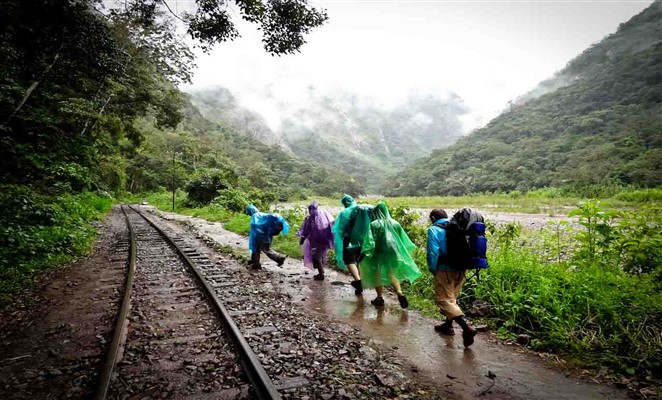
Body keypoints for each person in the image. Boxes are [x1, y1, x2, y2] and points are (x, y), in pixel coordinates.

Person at [426, 208, 478, 348]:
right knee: (452, 298)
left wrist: (433, 269)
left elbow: (433, 252)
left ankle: (466, 328)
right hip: (461, 268)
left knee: (444, 300)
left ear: (432, 218)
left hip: (444, 269)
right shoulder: (459, 227)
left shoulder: (434, 230)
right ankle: (448, 326)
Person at [361, 202, 421, 309]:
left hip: (378, 252)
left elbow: (370, 242)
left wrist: (364, 253)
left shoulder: (374, 224)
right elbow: (402, 240)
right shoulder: (395, 223)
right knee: (392, 274)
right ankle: (399, 293)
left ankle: (379, 297)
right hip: (393, 253)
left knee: (377, 274)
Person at [332, 194, 373, 295]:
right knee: (359, 260)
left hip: (350, 238)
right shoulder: (363, 209)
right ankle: (361, 280)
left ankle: (358, 280)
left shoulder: (344, 212)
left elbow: (339, 228)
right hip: (364, 239)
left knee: (349, 260)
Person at [298, 200, 335, 280]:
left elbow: (305, 230)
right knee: (320, 255)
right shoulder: (325, 214)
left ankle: (321, 274)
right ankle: (321, 271)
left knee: (316, 256)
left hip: (317, 241)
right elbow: (332, 224)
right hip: (325, 239)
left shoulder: (310, 218)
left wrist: (302, 239)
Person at [245, 204, 289, 269]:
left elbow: (255, 227)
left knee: (262, 249)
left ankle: (279, 258)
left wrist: (254, 237)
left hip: (260, 236)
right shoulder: (262, 214)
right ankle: (255, 263)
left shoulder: (255, 216)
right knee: (259, 249)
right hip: (267, 234)